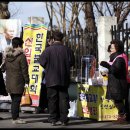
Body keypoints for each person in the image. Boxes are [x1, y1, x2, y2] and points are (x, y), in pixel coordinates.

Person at [39, 30, 75, 126]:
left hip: (51, 79)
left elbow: (42, 63)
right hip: (64, 78)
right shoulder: (68, 50)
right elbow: (72, 63)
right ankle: (63, 119)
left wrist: (49, 68)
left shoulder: (47, 50)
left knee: (52, 99)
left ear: (53, 39)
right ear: (62, 39)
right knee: (63, 99)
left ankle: (53, 119)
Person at [1, 37, 29, 124]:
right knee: (16, 101)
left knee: (14, 100)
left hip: (9, 82)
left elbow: (3, 68)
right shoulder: (21, 56)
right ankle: (15, 118)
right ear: (19, 45)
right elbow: (24, 70)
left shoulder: (7, 56)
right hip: (18, 82)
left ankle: (15, 117)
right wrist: (27, 81)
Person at [100, 39, 128, 124]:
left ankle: (123, 117)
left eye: (112, 48)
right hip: (115, 84)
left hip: (118, 84)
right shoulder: (116, 58)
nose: (110, 49)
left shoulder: (120, 59)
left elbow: (116, 70)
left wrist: (106, 65)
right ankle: (121, 116)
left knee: (118, 101)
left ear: (117, 48)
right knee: (117, 101)